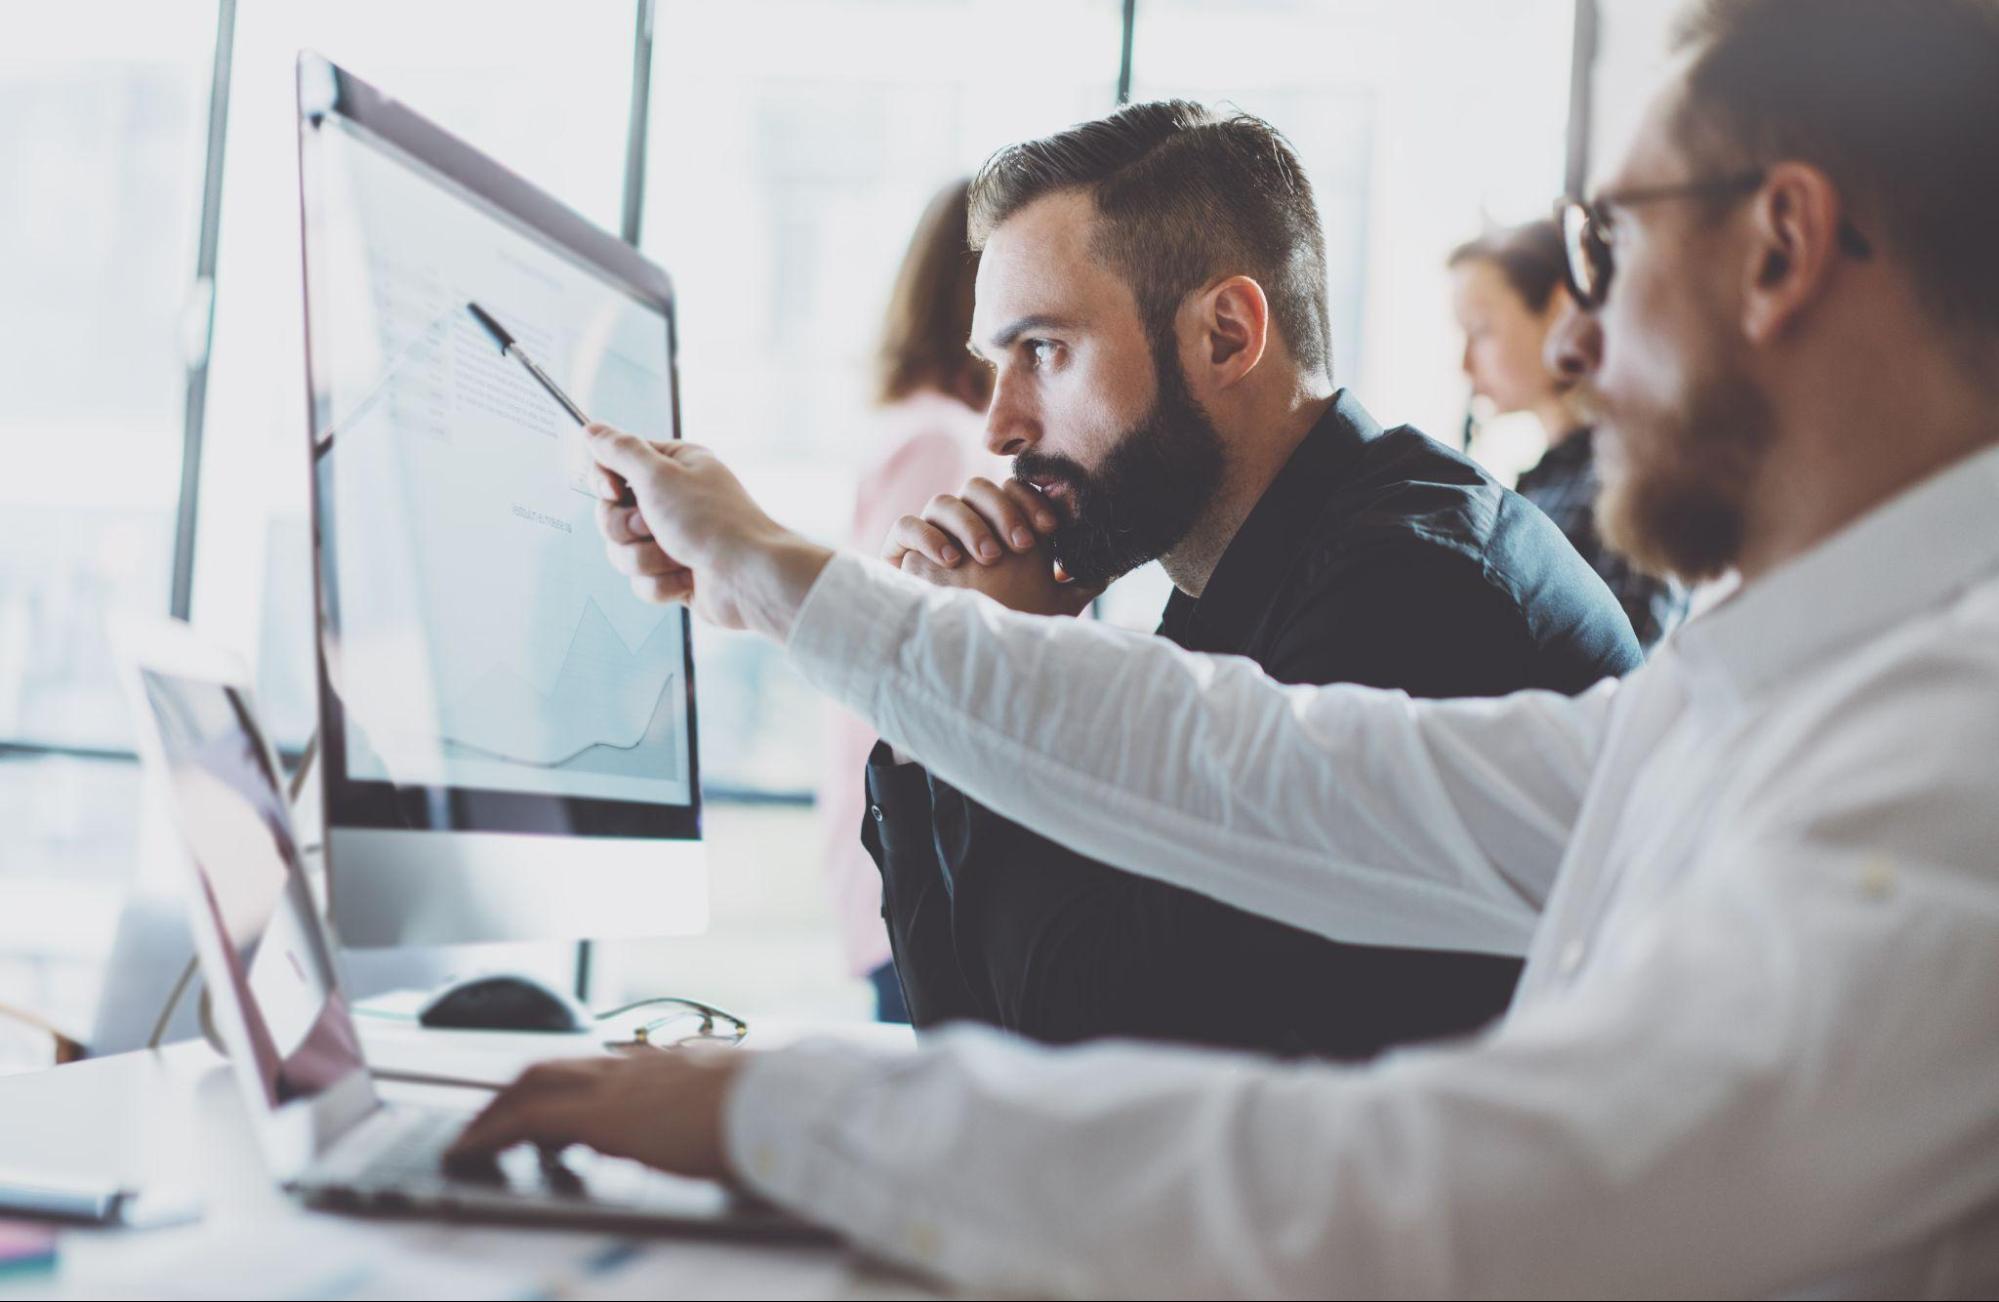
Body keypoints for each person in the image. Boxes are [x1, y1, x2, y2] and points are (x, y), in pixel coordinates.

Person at [451, 2, 1999, 1294]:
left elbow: (1440, 1194)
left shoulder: (1942, 763)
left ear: (1780, 245)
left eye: (1606, 245)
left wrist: (790, 1109)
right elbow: (1260, 766)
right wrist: (791, 584)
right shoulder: (1756, 689)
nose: (1570, 344)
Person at [858, 104, 1636, 1058]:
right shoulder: (1234, 584)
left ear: (1225, 335)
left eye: (1046, 351)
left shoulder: (1412, 594)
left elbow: (1106, 1065)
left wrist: (1011, 671)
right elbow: (966, 1044)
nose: (1001, 427)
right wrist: (926, 707)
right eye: (995, 363)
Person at [816, 179, 1000, 1022]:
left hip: (904, 851)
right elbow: (899, 649)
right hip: (921, 855)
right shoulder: (942, 441)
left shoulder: (924, 428)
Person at [1450, 219, 1689, 648]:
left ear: (1560, 308)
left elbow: (1624, 672)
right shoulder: (1545, 483)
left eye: (1481, 331)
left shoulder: (1622, 485)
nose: (1465, 365)